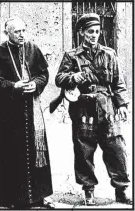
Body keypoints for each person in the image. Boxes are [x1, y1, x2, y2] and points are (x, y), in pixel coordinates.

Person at [54, 13, 132, 206]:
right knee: (84, 150)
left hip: (107, 108)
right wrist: (73, 77)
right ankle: (88, 191)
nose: (94, 35)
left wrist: (122, 104)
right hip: (83, 109)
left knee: (117, 149)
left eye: (97, 31)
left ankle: (121, 190)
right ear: (81, 33)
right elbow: (59, 78)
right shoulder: (71, 56)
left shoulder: (109, 54)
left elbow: (118, 83)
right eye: (90, 32)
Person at [0, 16, 54, 209]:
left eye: (24, 31)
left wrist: (35, 84)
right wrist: (13, 86)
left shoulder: (32, 48)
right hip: (9, 113)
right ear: (7, 33)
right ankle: (12, 196)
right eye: (17, 32)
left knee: (37, 152)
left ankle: (39, 195)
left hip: (32, 111)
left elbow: (44, 75)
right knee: (11, 152)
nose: (22, 35)